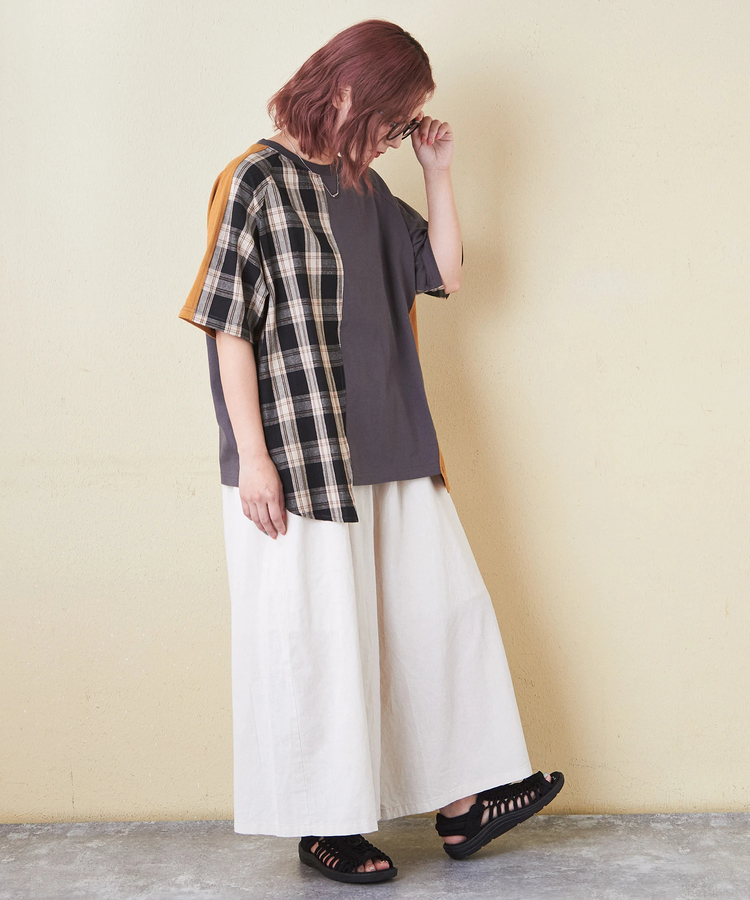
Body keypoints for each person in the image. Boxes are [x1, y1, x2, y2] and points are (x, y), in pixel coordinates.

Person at [178, 18, 564, 886]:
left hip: (391, 441)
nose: (397, 134)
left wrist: (437, 170)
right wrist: (254, 458)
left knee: (438, 617)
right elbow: (226, 323)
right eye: (396, 119)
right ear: (348, 91)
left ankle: (462, 807)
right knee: (320, 640)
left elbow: (446, 272)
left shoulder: (368, 187)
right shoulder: (254, 180)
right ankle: (328, 825)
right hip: (299, 457)